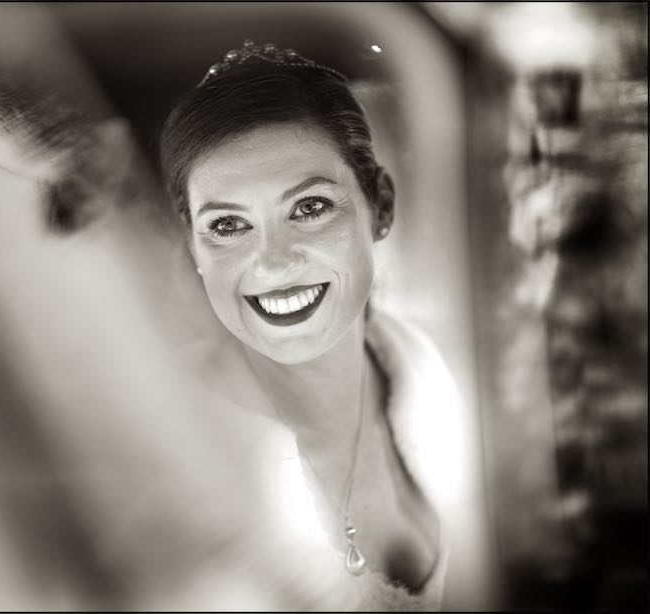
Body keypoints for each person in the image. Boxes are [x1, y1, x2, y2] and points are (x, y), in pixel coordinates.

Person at [158, 40, 467, 610]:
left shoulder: (427, 369)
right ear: (194, 250)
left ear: (381, 205)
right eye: (228, 225)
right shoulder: (165, 445)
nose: (273, 263)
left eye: (308, 208)